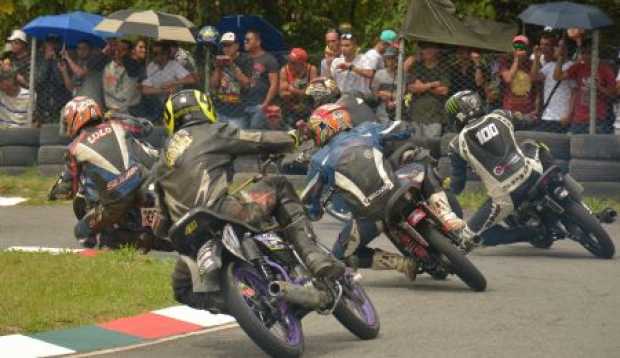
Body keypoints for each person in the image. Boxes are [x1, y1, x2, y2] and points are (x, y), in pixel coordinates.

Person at [151, 89, 344, 310]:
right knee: (278, 184)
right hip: (219, 212)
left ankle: (251, 307)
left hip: (187, 235)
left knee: (182, 289)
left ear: (170, 119)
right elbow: (257, 140)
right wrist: (294, 137)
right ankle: (314, 257)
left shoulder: (163, 158)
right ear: (205, 108)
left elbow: (161, 222)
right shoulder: (212, 131)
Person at [300, 105, 471, 279]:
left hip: (370, 218)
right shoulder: (366, 129)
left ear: (324, 127)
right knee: (421, 167)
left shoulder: (319, 160)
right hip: (397, 191)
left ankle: (402, 264)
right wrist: (405, 129)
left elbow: (308, 202)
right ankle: (447, 216)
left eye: (315, 130)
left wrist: (316, 211)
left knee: (339, 256)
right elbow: (402, 129)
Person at [48, 96, 159, 248]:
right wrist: (121, 116)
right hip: (143, 180)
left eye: (67, 121)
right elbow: (147, 127)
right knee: (148, 200)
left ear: (76, 118)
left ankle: (100, 243)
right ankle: (149, 228)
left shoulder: (74, 149)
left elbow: (70, 189)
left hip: (115, 202)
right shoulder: (117, 124)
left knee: (80, 230)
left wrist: (54, 191)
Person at [445, 90, 543, 251]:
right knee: (533, 144)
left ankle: (531, 233)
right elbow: (528, 121)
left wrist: (448, 189)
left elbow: (458, 184)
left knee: (469, 236)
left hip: (506, 195)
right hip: (532, 172)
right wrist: (534, 117)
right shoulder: (500, 115)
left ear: (456, 116)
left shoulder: (455, 145)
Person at [553, 40, 615, 134]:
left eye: (588, 53)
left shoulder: (605, 70)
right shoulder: (579, 67)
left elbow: (613, 94)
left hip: (598, 118)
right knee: (575, 144)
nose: (585, 56)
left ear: (595, 53)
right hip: (579, 118)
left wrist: (599, 87)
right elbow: (557, 76)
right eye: (583, 53)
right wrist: (560, 58)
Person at [141, 42, 196, 121]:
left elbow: (191, 79)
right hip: (154, 103)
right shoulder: (151, 66)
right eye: (152, 53)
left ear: (165, 54)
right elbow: (145, 90)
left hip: (172, 103)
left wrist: (173, 82)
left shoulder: (174, 65)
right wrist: (163, 90)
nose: (153, 56)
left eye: (156, 53)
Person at [530, 37, 575, 133]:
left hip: (562, 116)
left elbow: (574, 93)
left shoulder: (572, 66)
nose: (555, 49)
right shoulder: (550, 65)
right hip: (547, 115)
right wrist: (537, 58)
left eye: (559, 47)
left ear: (565, 49)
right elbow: (534, 77)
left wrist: (569, 115)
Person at [407, 42, 450, 138]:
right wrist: (432, 84)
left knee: (432, 145)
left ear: (437, 50)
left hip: (435, 116)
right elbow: (412, 88)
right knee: (416, 145)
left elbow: (444, 91)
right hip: (416, 115)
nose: (427, 51)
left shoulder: (443, 67)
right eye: (425, 48)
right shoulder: (417, 66)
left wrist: (422, 86)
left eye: (431, 48)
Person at [210, 32, 251, 128]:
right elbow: (213, 85)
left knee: (237, 141)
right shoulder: (219, 59)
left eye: (229, 45)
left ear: (236, 45)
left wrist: (232, 65)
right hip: (219, 109)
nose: (226, 48)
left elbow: (246, 84)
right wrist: (218, 68)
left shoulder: (245, 59)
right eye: (224, 45)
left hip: (237, 112)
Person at [243, 30, 279, 129]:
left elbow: (274, 84)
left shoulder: (269, 59)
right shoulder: (243, 59)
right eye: (244, 40)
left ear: (258, 42)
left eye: (248, 40)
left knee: (255, 133)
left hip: (259, 105)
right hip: (243, 105)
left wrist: (265, 104)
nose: (245, 42)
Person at [34, 36, 72, 126]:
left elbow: (62, 82)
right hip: (43, 107)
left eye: (54, 43)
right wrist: (46, 61)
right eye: (49, 43)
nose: (52, 45)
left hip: (59, 106)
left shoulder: (63, 60)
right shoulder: (38, 59)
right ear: (45, 44)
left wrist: (55, 61)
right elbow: (38, 81)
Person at [58, 40, 106, 107]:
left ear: (91, 50)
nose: (81, 51)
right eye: (79, 48)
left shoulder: (96, 62)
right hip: (79, 103)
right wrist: (64, 71)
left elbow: (80, 73)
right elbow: (71, 88)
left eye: (84, 48)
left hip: (92, 103)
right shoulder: (77, 64)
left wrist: (67, 58)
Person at [279, 47, 317, 127]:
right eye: (288, 61)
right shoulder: (284, 70)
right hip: (290, 109)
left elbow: (312, 93)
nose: (289, 64)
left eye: (292, 62)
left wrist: (291, 89)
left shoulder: (311, 70)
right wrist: (302, 92)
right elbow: (283, 93)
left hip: (308, 109)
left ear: (302, 63)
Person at [102, 39, 142, 114]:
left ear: (130, 52)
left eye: (123, 49)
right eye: (118, 49)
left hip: (129, 111)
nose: (119, 51)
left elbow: (126, 95)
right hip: (110, 109)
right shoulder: (108, 67)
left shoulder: (134, 68)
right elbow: (106, 90)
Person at [499, 35, 535, 115]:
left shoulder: (531, 63)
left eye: (522, 47)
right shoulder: (506, 61)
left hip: (528, 108)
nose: (518, 49)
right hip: (510, 107)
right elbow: (508, 79)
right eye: (516, 46)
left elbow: (535, 79)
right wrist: (516, 60)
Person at [372, 47, 399, 122]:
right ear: (385, 59)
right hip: (382, 108)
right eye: (388, 58)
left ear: (397, 59)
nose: (390, 61)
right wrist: (381, 96)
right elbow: (374, 93)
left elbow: (404, 95)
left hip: (399, 108)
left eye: (393, 58)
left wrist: (388, 95)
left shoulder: (403, 75)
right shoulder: (379, 74)